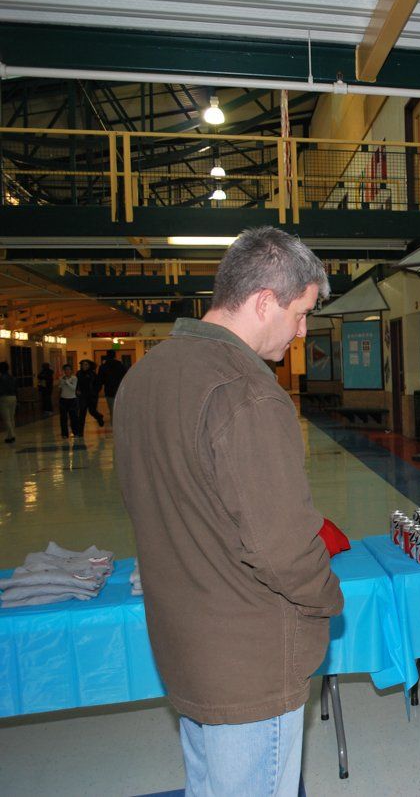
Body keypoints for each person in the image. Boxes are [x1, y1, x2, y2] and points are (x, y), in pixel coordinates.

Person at [114, 226, 343, 796]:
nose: (303, 331)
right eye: (301, 313)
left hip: (185, 643)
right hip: (250, 661)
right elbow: (282, 545)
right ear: (264, 301)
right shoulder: (247, 393)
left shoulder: (145, 376)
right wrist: (327, 597)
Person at [98, 350, 126, 419]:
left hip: (109, 390)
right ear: (115, 356)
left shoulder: (103, 366)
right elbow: (125, 377)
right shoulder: (121, 365)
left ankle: (114, 423)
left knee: (112, 409)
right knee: (120, 409)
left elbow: (100, 380)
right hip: (120, 390)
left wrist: (97, 389)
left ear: (107, 356)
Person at [58, 363, 83, 439]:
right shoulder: (61, 378)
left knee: (74, 417)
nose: (67, 371)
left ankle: (76, 433)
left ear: (71, 370)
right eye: (65, 369)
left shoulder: (74, 378)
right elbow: (60, 388)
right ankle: (64, 434)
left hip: (72, 399)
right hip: (63, 400)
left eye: (68, 369)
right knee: (63, 418)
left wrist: (67, 382)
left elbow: (73, 388)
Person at [0, 361, 17, 444]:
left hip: (4, 398)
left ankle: (12, 435)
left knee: (6, 419)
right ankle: (9, 436)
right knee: (11, 418)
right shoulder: (12, 377)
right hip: (13, 397)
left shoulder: (1, 378)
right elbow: (16, 388)